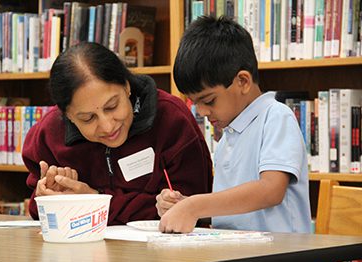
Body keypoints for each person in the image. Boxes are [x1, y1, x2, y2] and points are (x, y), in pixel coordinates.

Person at [22, 42, 213, 225]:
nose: (107, 126)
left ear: (127, 86)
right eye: (88, 119)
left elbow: (195, 207)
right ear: (67, 115)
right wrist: (48, 199)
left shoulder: (171, 119)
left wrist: (96, 203)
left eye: (112, 106)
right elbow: (36, 210)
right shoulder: (48, 134)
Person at [156, 16, 311, 233]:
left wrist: (195, 206)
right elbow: (236, 209)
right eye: (194, 102)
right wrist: (183, 205)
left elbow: (270, 190)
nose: (201, 111)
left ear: (243, 81)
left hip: (280, 255)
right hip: (237, 253)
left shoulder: (276, 116)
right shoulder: (229, 134)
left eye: (209, 100)